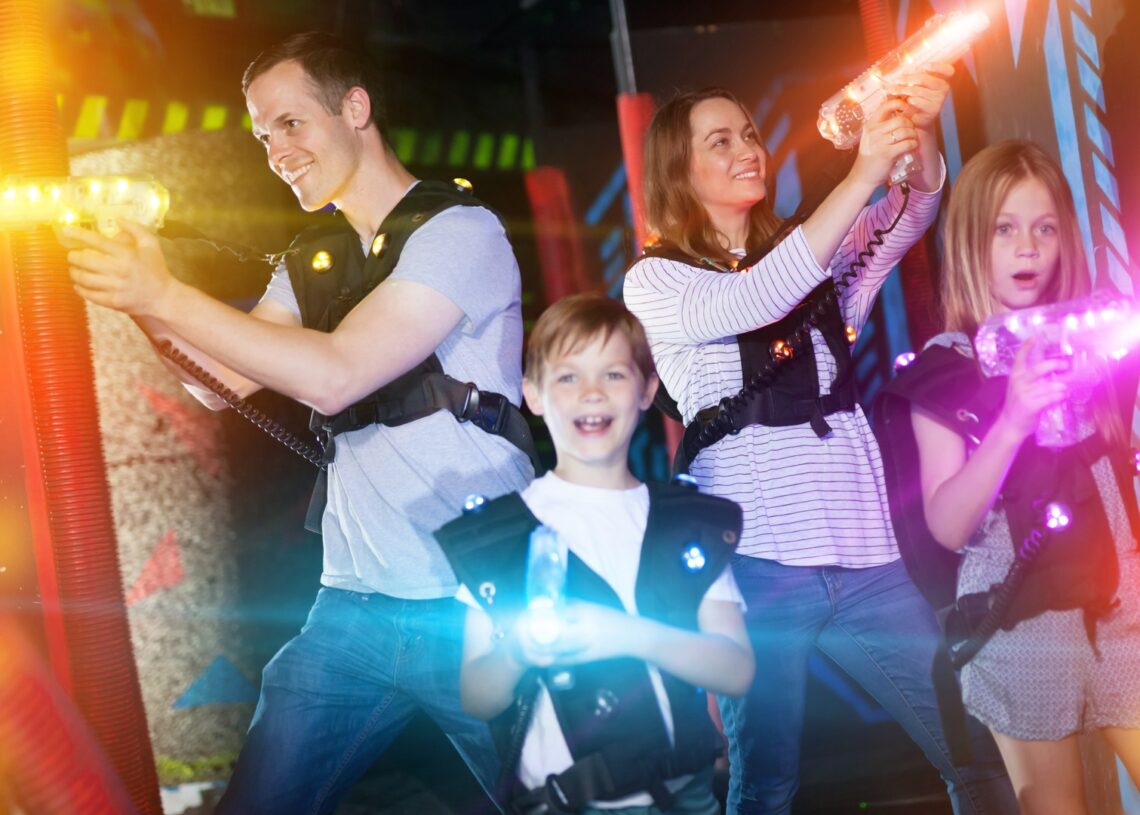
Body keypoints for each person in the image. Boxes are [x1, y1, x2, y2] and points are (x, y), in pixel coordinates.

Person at [64, 32, 534, 814]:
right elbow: (221, 385)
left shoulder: (461, 233)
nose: (276, 151)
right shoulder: (312, 255)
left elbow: (336, 372)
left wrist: (166, 297)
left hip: (478, 601)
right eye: (261, 135)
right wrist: (145, 296)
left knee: (563, 796)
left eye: (290, 123)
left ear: (355, 108)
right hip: (351, 608)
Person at [623, 80, 1016, 814]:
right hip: (758, 570)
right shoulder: (656, 280)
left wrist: (913, 128)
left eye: (749, 133)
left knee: (973, 751)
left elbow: (915, 205)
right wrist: (863, 169)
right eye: (722, 141)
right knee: (766, 784)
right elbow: (756, 299)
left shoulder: (820, 259)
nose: (748, 149)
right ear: (680, 170)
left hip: (870, 562)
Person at [877, 140, 1140, 815]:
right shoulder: (946, 369)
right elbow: (947, 522)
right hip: (1016, 616)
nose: (1028, 247)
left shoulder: (1094, 340)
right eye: (1005, 228)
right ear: (969, 240)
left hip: (1121, 604)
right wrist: (1014, 418)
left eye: (1044, 227)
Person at [433, 293, 755, 815]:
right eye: (567, 377)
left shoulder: (684, 523)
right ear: (532, 394)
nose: (591, 393)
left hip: (686, 797)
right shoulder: (498, 537)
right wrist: (519, 651)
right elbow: (477, 693)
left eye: (613, 375)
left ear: (647, 390)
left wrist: (625, 633)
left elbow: (735, 669)